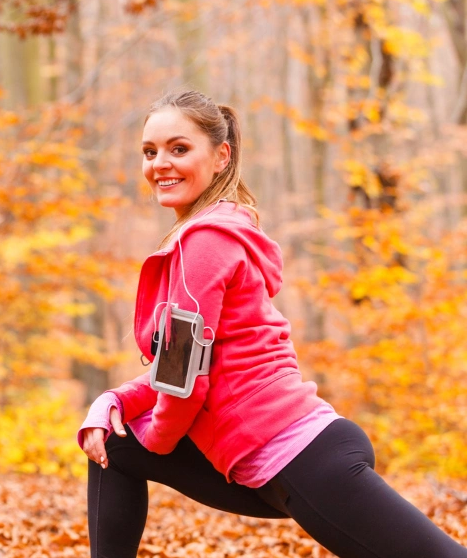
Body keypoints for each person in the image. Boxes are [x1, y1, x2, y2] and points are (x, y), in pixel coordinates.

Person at [78, 90, 467, 557]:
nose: (160, 163)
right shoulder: (213, 235)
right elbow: (184, 364)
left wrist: (158, 441)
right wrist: (113, 400)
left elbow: (182, 383)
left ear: (222, 156)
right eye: (150, 151)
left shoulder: (202, 246)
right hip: (260, 459)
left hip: (305, 458)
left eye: (179, 149)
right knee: (113, 447)